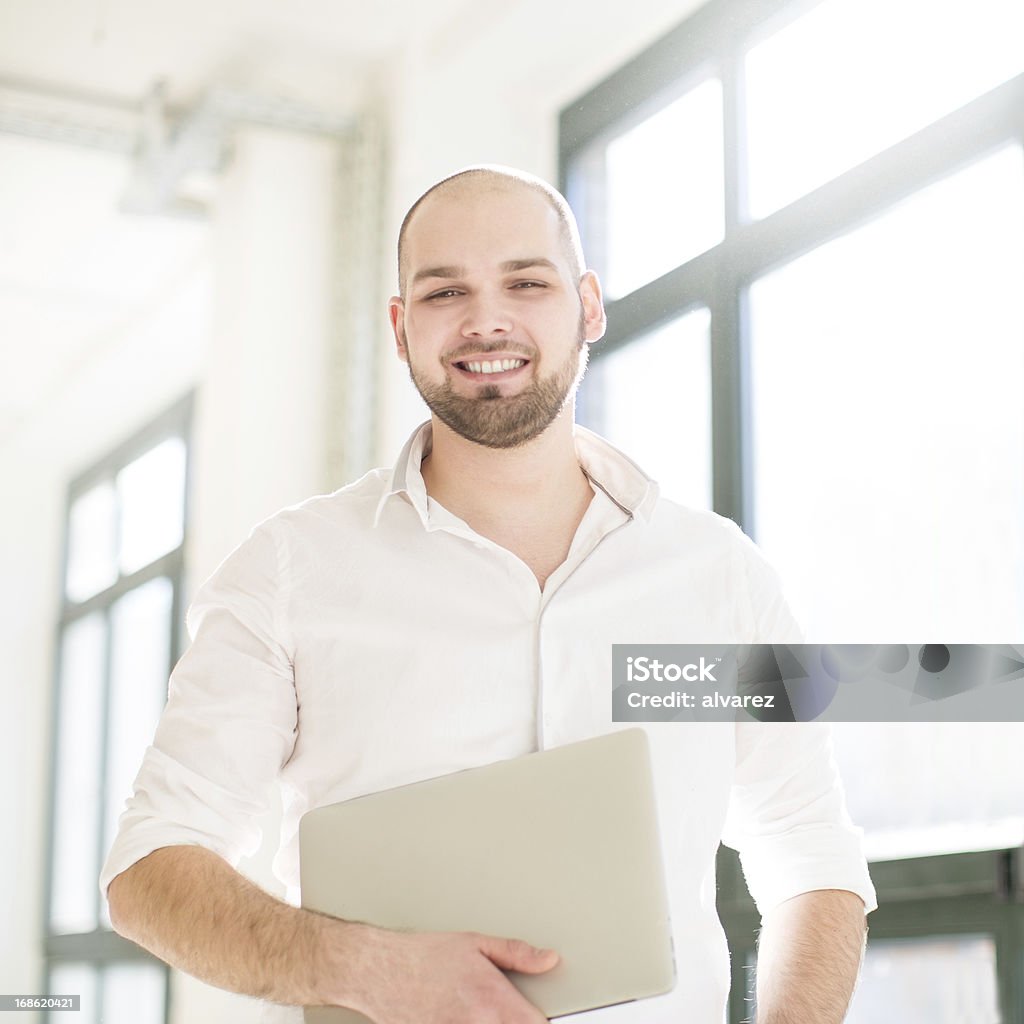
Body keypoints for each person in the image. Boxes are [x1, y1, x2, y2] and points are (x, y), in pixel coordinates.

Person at [103, 166, 876, 1024]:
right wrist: (361, 969)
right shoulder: (289, 573)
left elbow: (811, 855)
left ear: (587, 305)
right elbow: (150, 867)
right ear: (400, 329)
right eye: (444, 292)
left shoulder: (717, 576)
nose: (486, 319)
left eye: (526, 281)